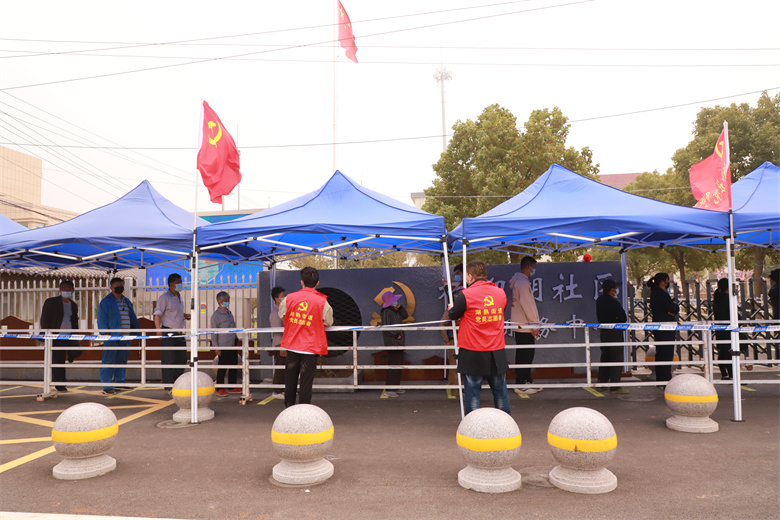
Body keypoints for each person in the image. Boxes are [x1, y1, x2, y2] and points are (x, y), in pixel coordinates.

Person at [446, 260, 510, 416]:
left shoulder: (466, 295)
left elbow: (453, 315)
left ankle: (472, 426)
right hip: (496, 350)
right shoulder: (500, 293)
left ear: (469, 276)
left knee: (473, 393)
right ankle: (506, 424)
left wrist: (451, 308)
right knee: (500, 392)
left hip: (472, 350)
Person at [279, 267, 334, 408]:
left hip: (292, 346)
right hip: (310, 348)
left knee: (290, 382)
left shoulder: (288, 298)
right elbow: (328, 322)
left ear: (301, 282)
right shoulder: (322, 302)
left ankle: (289, 409)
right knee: (306, 384)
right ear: (317, 283)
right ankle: (304, 411)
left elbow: (282, 315)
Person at [98, 277, 139, 395]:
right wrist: (105, 332)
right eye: (117, 286)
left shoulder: (127, 301)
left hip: (126, 336)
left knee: (122, 360)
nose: (119, 287)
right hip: (112, 336)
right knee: (109, 360)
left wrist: (135, 331)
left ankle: (120, 382)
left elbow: (132, 316)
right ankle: (107, 385)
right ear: (111, 287)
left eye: (121, 285)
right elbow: (102, 318)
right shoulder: (106, 302)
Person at [40, 280, 82, 392]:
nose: (66, 290)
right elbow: (44, 319)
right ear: (60, 290)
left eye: (68, 289)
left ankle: (71, 355)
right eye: (64, 288)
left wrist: (76, 333)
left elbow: (74, 320)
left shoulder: (73, 305)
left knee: (77, 351)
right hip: (56, 336)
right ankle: (60, 384)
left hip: (70, 335)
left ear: (72, 290)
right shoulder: (51, 302)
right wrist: (46, 335)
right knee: (58, 361)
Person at [509, 256, 541, 395]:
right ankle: (521, 383)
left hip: (521, 325)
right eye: (533, 268)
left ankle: (526, 380)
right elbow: (528, 305)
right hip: (525, 326)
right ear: (529, 268)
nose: (533, 271)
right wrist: (534, 325)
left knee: (525, 354)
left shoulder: (519, 282)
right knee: (525, 356)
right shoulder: (522, 283)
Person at [153, 273, 190, 389]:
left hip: (179, 332)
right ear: (171, 285)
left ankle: (176, 379)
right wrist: (158, 330)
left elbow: (173, 313)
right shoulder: (165, 298)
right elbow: (157, 314)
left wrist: (184, 315)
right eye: (178, 283)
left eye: (181, 282)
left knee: (182, 358)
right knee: (168, 359)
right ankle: (168, 385)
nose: (180, 285)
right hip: (168, 331)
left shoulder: (178, 296)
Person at [595, 279, 628, 394]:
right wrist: (616, 318)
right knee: (616, 358)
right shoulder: (613, 302)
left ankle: (602, 383)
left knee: (605, 357)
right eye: (615, 288)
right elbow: (623, 317)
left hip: (604, 332)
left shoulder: (600, 300)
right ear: (611, 289)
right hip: (614, 332)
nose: (616, 290)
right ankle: (615, 386)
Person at [647, 272, 679, 382]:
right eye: (667, 281)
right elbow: (673, 308)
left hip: (659, 326)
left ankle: (660, 379)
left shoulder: (655, 293)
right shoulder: (661, 294)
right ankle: (665, 379)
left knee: (660, 352)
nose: (668, 283)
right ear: (662, 282)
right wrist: (674, 307)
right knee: (666, 353)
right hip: (666, 328)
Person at [440, 263, 463, 399]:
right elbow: (442, 324)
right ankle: (454, 388)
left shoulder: (466, 289)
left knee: (465, 366)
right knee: (454, 366)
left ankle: (463, 388)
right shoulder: (451, 310)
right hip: (454, 339)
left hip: (466, 340)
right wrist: (447, 340)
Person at [380, 290, 409, 398]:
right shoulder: (386, 312)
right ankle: (389, 389)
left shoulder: (395, 310)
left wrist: (400, 307)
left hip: (399, 343)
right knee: (393, 365)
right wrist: (396, 335)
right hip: (392, 342)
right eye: (394, 301)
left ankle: (395, 386)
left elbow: (405, 316)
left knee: (397, 364)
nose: (396, 302)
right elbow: (386, 327)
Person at [210, 291, 240, 396]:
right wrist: (216, 347)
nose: (228, 302)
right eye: (226, 300)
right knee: (222, 367)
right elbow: (213, 332)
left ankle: (232, 386)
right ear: (219, 301)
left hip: (232, 343)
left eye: (228, 300)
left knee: (233, 365)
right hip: (223, 345)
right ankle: (219, 388)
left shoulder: (229, 313)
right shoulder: (216, 316)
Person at [269, 286, 286, 400]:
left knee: (284, 368)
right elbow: (278, 332)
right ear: (276, 298)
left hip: (284, 344)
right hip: (280, 345)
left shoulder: (281, 311)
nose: (285, 298)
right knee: (280, 368)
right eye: (282, 296)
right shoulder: (276, 313)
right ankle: (276, 391)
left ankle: (282, 389)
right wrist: (281, 346)